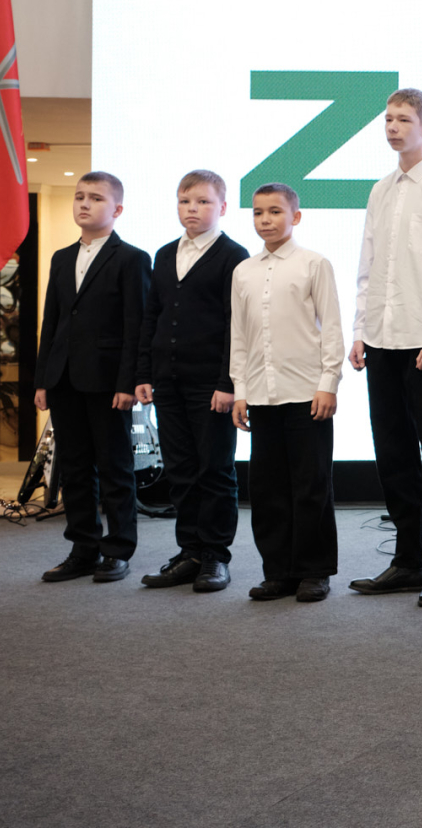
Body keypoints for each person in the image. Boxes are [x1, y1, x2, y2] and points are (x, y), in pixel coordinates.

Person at [346, 89, 422, 605]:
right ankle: (407, 560)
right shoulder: (380, 189)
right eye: (388, 119)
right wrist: (359, 330)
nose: (393, 127)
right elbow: (368, 266)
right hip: (382, 339)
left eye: (404, 120)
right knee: (392, 456)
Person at [134, 169, 250, 593]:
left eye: (203, 202)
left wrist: (228, 382)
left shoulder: (234, 256)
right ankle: (190, 552)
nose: (193, 209)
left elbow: (236, 324)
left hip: (211, 384)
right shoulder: (165, 254)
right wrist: (144, 373)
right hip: (168, 381)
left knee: (214, 470)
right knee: (180, 470)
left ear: (222, 207)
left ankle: (216, 555)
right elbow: (152, 315)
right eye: (185, 201)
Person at [34, 171, 152, 583]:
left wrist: (128, 382)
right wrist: (43, 378)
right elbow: (52, 321)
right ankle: (83, 548)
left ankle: (118, 550)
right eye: (80, 196)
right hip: (64, 377)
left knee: (115, 467)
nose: (84, 203)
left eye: (96, 198)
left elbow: (136, 325)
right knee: (74, 467)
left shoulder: (132, 258)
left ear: (117, 209)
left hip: (107, 381)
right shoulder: (61, 257)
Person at [230, 183, 346, 603]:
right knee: (267, 489)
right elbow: (239, 335)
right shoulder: (243, 271)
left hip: (305, 392)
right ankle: (277, 572)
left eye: (275, 211)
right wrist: (240, 390)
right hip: (261, 395)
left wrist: (328, 383)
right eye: (258, 212)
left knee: (311, 485)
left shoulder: (314, 264)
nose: (266, 220)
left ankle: (314, 571)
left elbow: (331, 327)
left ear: (295, 217)